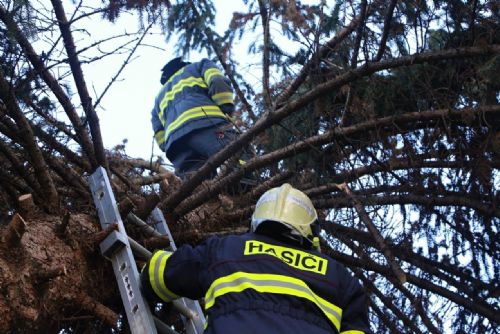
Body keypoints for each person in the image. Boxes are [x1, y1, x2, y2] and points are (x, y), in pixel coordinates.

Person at [141, 183, 370, 334]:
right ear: (310, 230)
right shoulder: (338, 276)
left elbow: (164, 274)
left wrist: (145, 278)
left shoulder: (227, 248)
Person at [151, 57, 244, 180]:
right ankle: (250, 190)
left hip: (176, 145)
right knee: (238, 153)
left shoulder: (158, 98)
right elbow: (217, 80)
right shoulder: (199, 66)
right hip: (206, 125)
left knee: (196, 185)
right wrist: (225, 108)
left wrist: (168, 144)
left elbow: (158, 130)